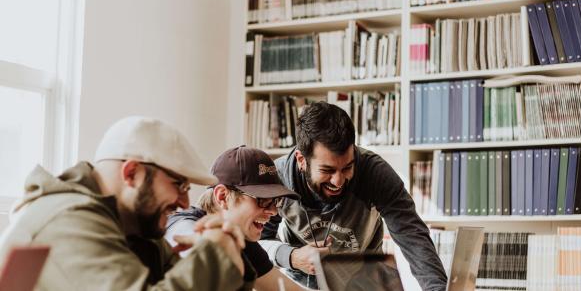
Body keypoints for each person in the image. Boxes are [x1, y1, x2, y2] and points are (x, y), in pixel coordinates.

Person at [0, 116, 251, 290]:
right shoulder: (69, 220)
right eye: (178, 185)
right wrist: (215, 254)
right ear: (132, 173)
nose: (185, 203)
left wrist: (227, 250)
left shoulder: (134, 227)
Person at [259, 102, 447, 290]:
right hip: (302, 285)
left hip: (366, 282)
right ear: (302, 160)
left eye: (347, 167)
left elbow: (412, 235)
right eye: (327, 170)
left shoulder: (374, 172)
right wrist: (292, 257)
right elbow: (257, 243)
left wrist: (437, 288)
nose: (338, 181)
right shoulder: (278, 178)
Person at [165, 146, 310, 291]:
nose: (273, 211)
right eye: (263, 200)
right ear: (223, 196)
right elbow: (188, 238)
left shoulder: (242, 239)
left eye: (275, 201)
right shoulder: (183, 225)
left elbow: (284, 288)